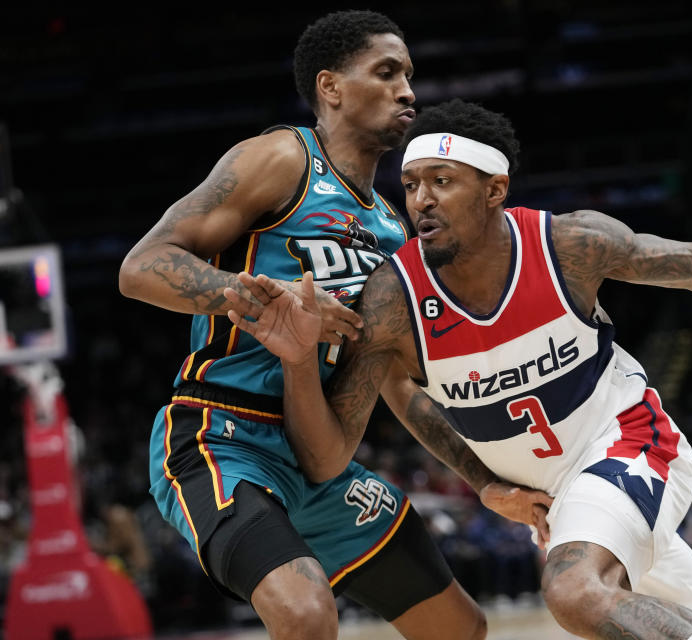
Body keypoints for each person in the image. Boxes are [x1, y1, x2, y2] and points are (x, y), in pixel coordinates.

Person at [225, 98, 692, 640]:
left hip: (628, 443)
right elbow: (340, 446)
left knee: (573, 592)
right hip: (559, 503)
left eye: (442, 181)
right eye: (411, 184)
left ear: (494, 191)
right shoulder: (393, 299)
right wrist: (303, 364)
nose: (421, 199)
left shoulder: (567, 245)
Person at [118, 14, 551, 640]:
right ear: (331, 87)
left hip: (318, 457)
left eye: (409, 76)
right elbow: (142, 267)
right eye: (387, 72)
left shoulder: (394, 234)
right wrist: (272, 305)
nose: (408, 91)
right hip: (222, 435)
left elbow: (399, 388)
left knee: (460, 628)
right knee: (305, 614)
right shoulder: (282, 159)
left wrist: (485, 483)